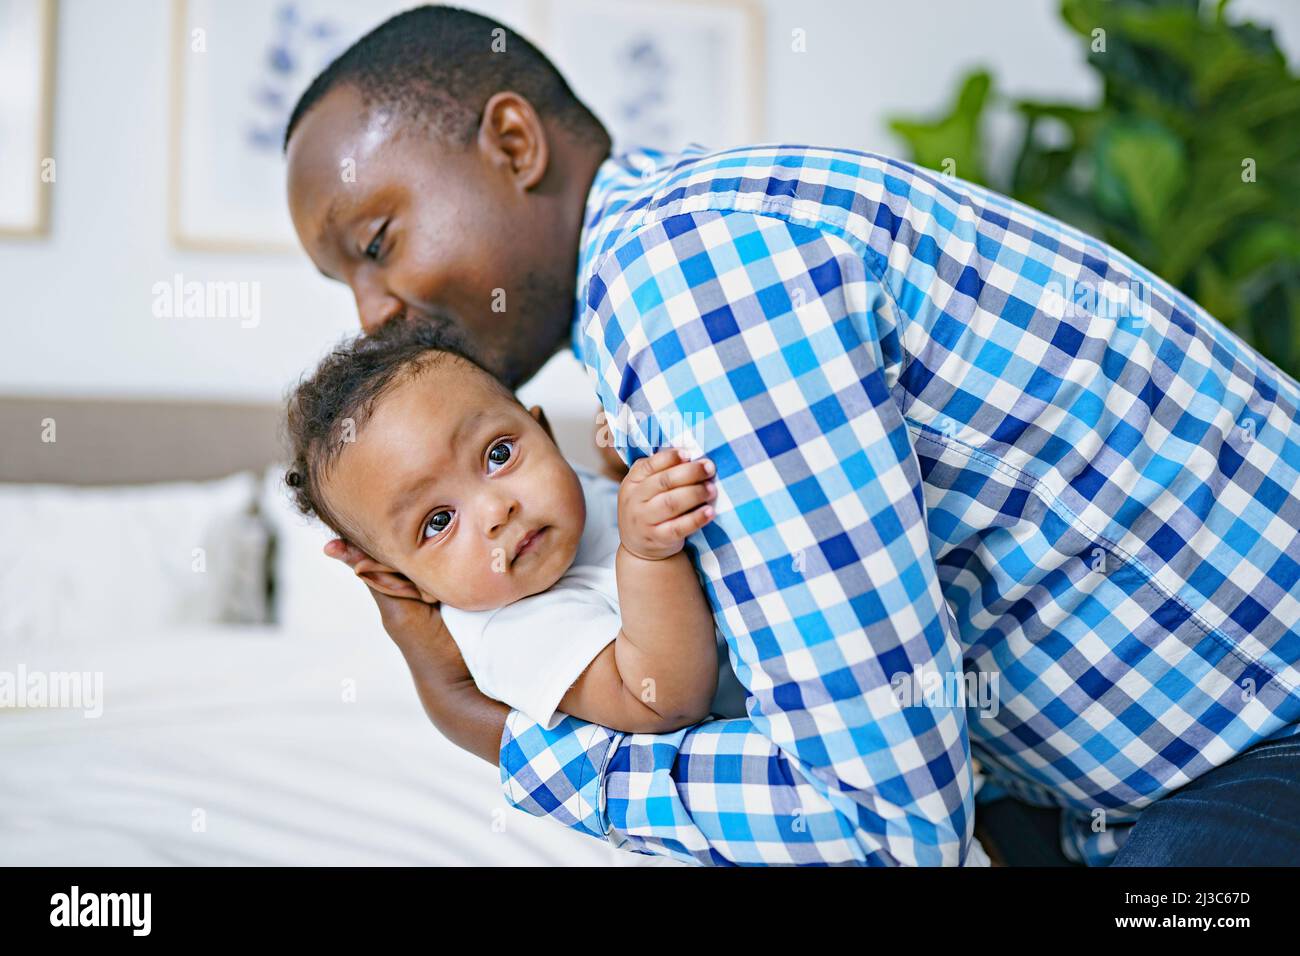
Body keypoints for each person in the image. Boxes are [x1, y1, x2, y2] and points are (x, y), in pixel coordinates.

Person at [283, 5, 1300, 865]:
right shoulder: (691, 228)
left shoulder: (693, 286)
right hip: (1151, 769)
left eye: (377, 245)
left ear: (513, 144)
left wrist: (509, 742)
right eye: (347, 284)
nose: (373, 312)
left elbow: (887, 828)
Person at [280, 316, 748, 734]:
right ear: (397, 580)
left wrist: (618, 472)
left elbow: (606, 522)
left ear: (544, 434)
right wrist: (648, 556)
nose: (496, 510)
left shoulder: (553, 504)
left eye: (498, 454)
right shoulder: (508, 633)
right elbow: (662, 702)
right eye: (439, 521)